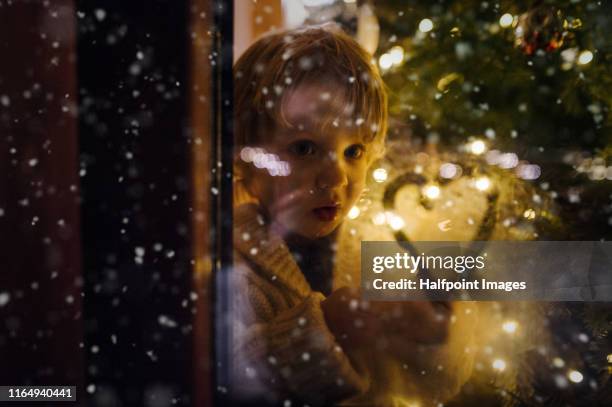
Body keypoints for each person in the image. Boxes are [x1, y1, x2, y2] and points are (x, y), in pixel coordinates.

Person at [231, 25, 478, 406]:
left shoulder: (375, 245)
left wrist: (434, 335)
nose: (336, 177)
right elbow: (232, 379)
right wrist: (328, 327)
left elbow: (432, 381)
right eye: (304, 148)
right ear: (244, 156)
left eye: (354, 151)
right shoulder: (232, 265)